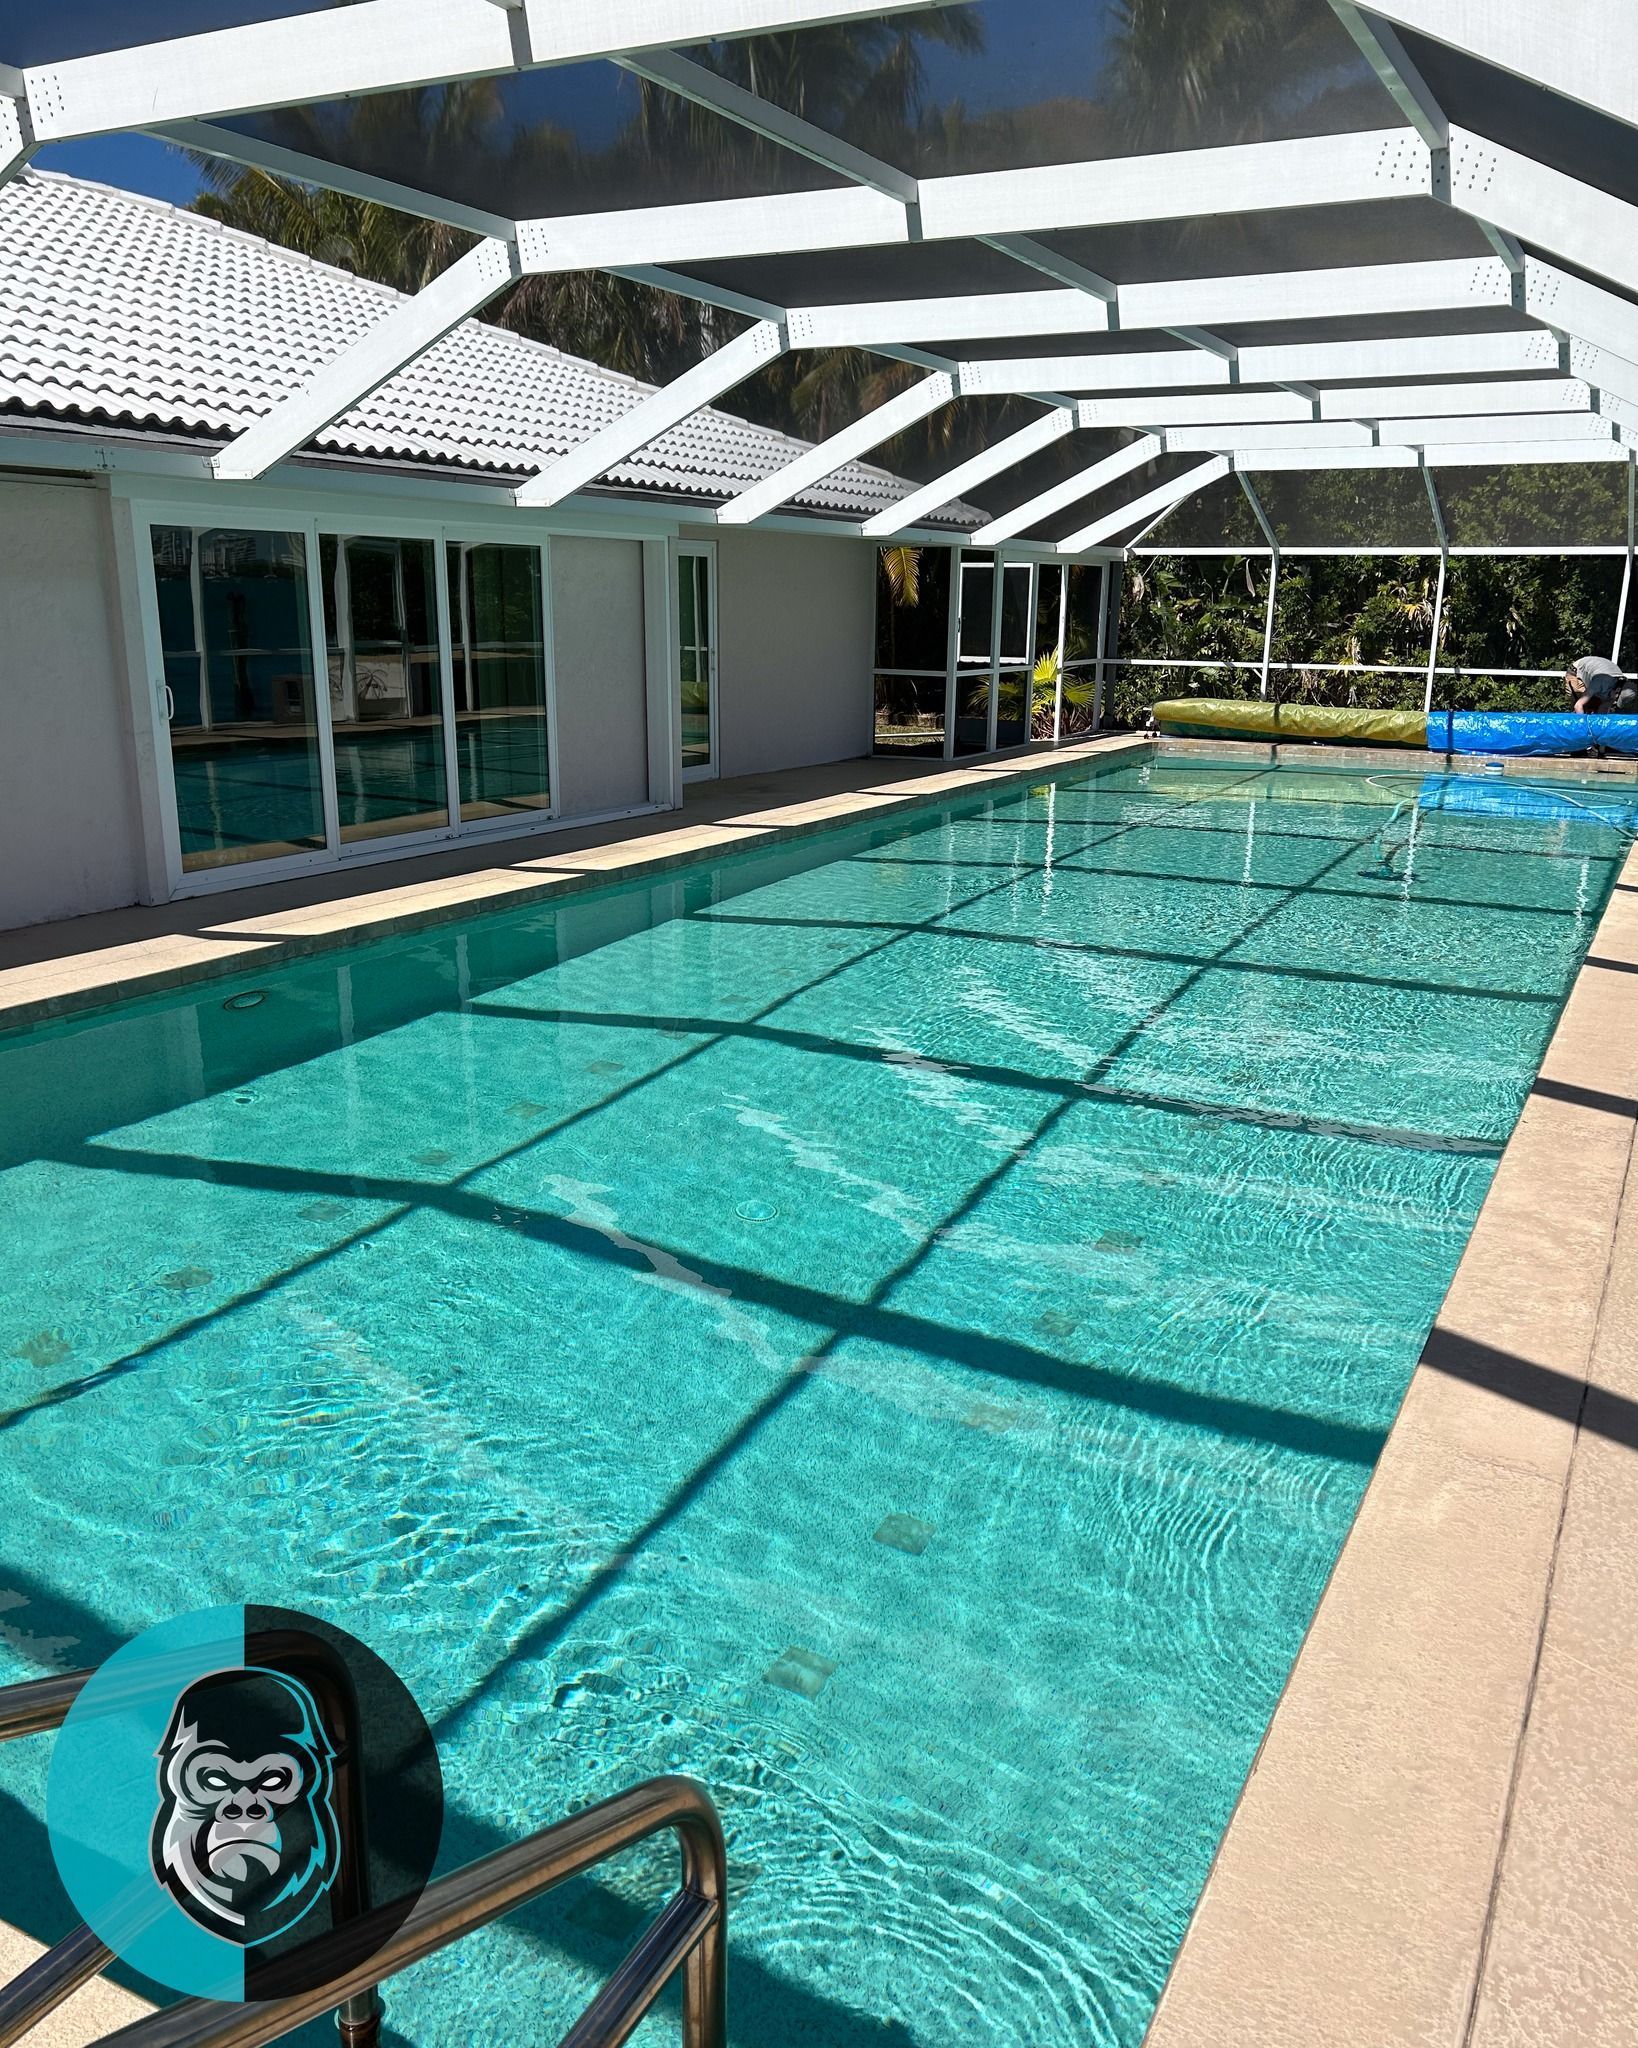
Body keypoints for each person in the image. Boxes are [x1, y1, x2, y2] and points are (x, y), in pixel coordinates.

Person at [1564, 654, 1638, 712]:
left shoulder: (1617, 687)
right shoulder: (1600, 682)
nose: (1615, 702)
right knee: (1583, 707)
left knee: (1596, 705)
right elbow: (1578, 706)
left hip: (1598, 673)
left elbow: (1605, 708)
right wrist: (1583, 728)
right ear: (1617, 690)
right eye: (1617, 700)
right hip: (1576, 672)